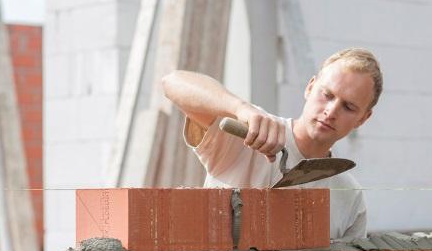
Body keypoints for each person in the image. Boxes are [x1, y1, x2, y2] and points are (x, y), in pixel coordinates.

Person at [162, 48, 383, 240]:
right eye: (326, 95)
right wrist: (242, 109)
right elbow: (172, 82)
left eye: (349, 107)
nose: (331, 111)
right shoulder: (252, 131)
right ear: (310, 87)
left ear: (363, 118)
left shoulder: (350, 195)